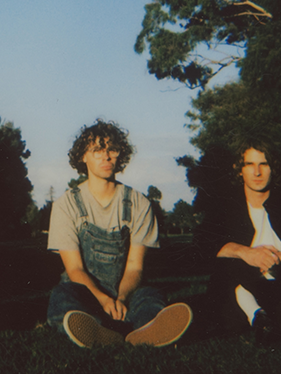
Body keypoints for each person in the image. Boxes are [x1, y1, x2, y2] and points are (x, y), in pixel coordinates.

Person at [46, 120, 192, 348]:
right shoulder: (66, 204)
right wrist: (103, 299)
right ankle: (96, 330)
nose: (106, 157)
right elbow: (75, 269)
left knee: (150, 296)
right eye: (97, 150)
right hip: (86, 293)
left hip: (127, 292)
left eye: (112, 149)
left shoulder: (139, 203)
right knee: (62, 297)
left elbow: (135, 267)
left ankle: (146, 329)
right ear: (83, 156)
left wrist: (121, 298)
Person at [196, 136, 281, 346]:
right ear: (239, 169)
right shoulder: (225, 203)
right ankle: (258, 319)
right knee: (230, 262)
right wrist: (246, 253)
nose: (257, 172)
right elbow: (202, 240)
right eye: (249, 164)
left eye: (264, 164)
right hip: (246, 284)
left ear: (274, 167)